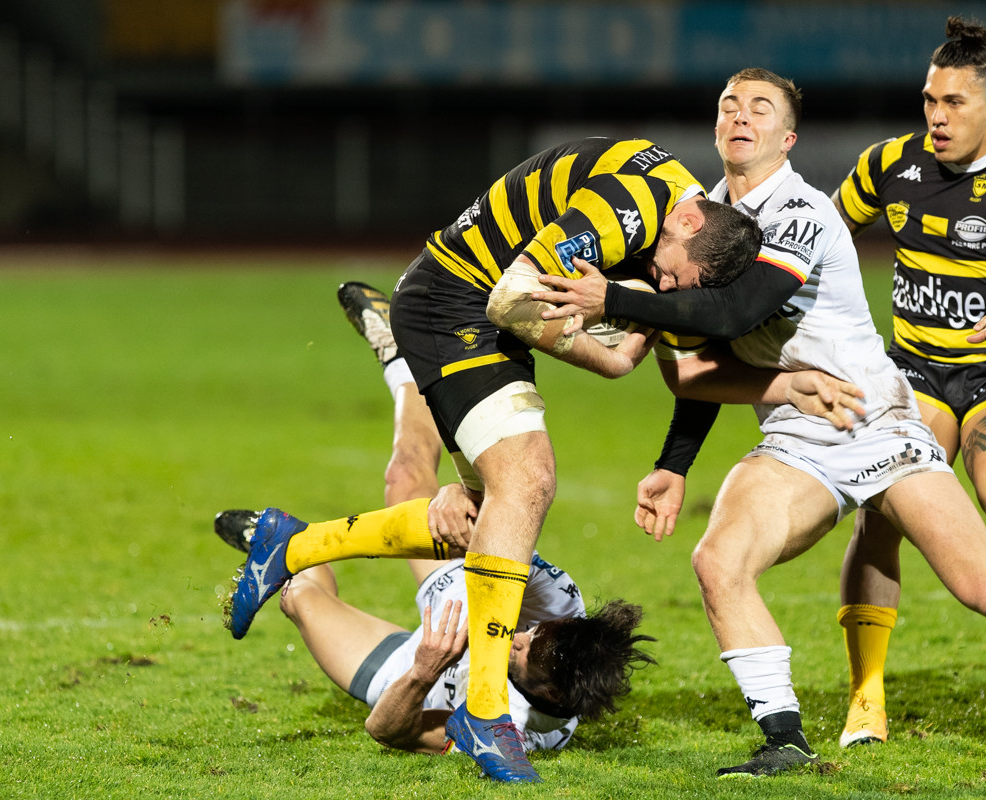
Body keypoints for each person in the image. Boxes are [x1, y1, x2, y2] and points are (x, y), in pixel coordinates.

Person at [225, 139, 869, 782]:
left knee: (479, 515)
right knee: (528, 479)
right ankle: (484, 708)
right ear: (691, 221)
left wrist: (771, 385)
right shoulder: (633, 205)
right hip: (454, 303)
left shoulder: (667, 221)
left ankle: (295, 545)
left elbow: (684, 366)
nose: (667, 286)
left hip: (474, 317)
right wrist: (609, 356)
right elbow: (514, 297)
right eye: (675, 277)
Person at [530, 67, 986, 778]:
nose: (741, 115)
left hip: (874, 418)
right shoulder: (697, 214)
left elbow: (735, 313)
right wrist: (674, 465)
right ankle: (785, 740)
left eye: (760, 108)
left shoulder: (800, 211)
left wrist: (614, 298)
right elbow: (699, 352)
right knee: (719, 561)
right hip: (796, 434)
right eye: (728, 104)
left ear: (788, 136)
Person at [214, 289, 658, 758]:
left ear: (549, 694)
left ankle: (290, 555)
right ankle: (400, 360)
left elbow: (388, 731)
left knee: (300, 597)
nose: (520, 635)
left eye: (524, 650)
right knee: (404, 476)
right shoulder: (558, 602)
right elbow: (492, 536)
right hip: (456, 594)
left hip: (413, 665)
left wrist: (424, 670)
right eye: (532, 633)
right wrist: (461, 496)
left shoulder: (525, 732)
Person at [830, 16, 986, 746]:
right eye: (929, 101)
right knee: (882, 512)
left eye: (954, 104)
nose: (937, 118)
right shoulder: (891, 164)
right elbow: (823, 232)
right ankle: (866, 692)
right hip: (913, 371)